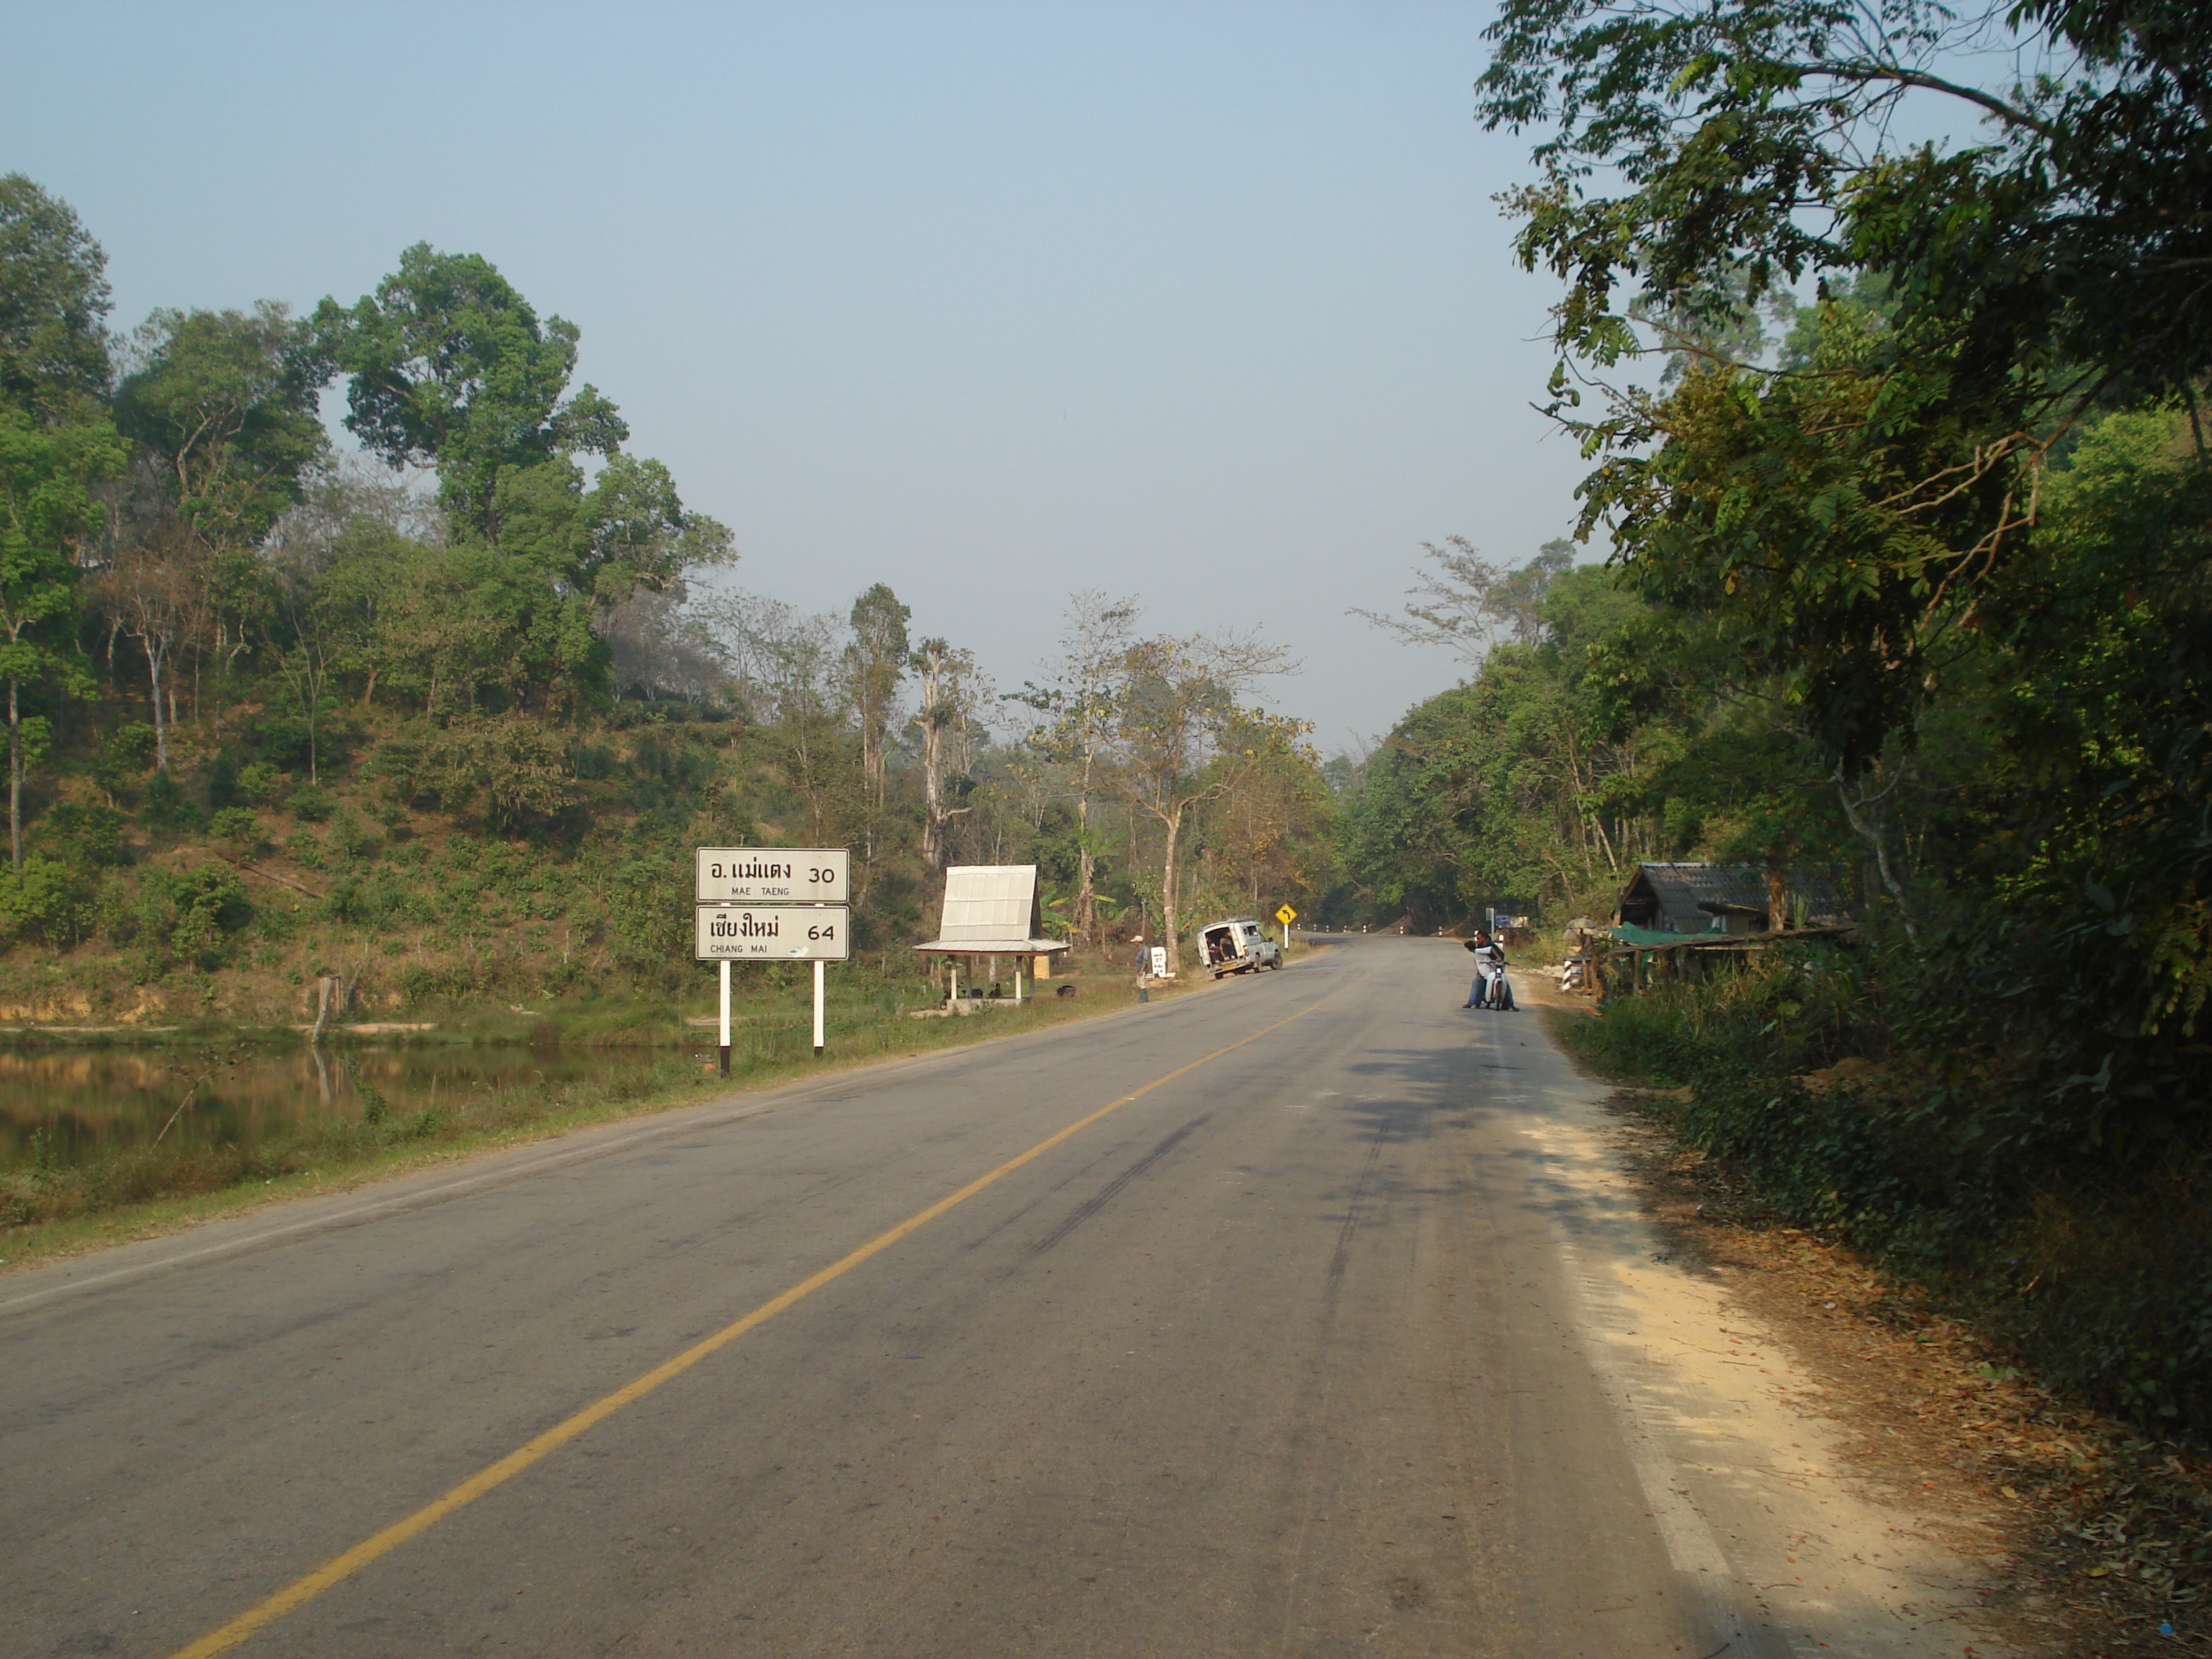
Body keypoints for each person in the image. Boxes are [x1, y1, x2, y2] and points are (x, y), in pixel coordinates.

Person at [1462, 930, 1499, 1008]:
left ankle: (1473, 1002)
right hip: (1487, 972)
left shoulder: (1479, 951)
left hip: (1488, 973)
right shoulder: (1479, 950)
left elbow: (1491, 949)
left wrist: (1498, 958)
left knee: (1476, 983)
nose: (1478, 940)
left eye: (1479, 938)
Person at [1132, 935, 1151, 1004]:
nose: (1134, 943)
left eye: (1135, 942)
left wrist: (1142, 970)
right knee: (1139, 983)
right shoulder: (1139, 950)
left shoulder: (1145, 949)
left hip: (1142, 969)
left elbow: (1145, 961)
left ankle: (1144, 998)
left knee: (1142, 983)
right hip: (1138, 968)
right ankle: (1142, 998)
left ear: (1138, 942)